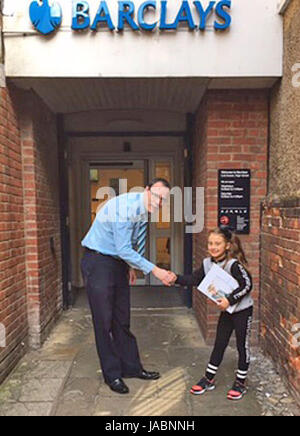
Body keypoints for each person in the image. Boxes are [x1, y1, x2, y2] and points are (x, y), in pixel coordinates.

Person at [81, 178, 177, 394]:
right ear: (146, 190)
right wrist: (156, 270)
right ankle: (112, 375)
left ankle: (132, 368)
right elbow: (124, 248)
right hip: (98, 262)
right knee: (104, 322)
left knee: (122, 319)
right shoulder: (124, 209)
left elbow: (126, 247)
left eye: (164, 200)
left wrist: (130, 267)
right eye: (157, 196)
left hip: (116, 262)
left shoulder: (142, 210)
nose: (159, 202)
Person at [170, 227, 253, 401]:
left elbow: (247, 285)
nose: (213, 247)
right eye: (210, 243)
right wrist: (175, 278)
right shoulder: (207, 263)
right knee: (219, 343)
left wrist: (230, 300)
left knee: (241, 345)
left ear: (228, 245)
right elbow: (194, 279)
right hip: (227, 311)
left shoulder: (233, 264)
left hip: (242, 311)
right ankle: (209, 378)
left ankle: (240, 382)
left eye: (218, 243)